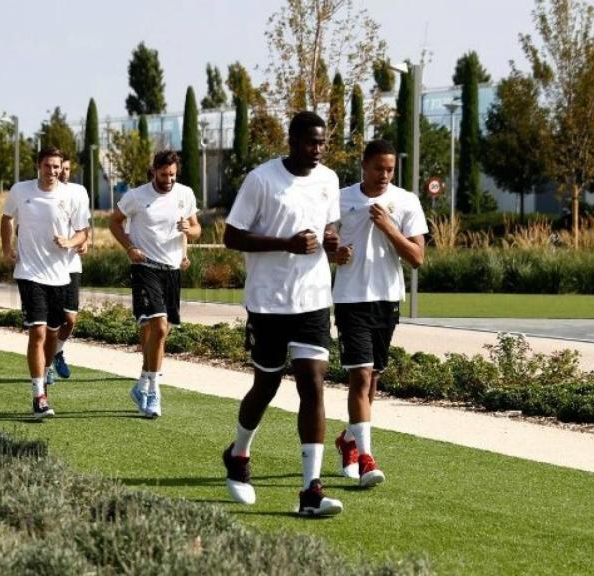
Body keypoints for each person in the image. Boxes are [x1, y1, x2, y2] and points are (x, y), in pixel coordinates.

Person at [220, 111, 343, 517]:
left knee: (313, 383)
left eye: (322, 142)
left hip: (313, 300)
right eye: (311, 142)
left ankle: (311, 490)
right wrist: (284, 244)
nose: (318, 149)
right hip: (268, 302)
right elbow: (231, 236)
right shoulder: (261, 179)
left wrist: (331, 241)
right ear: (291, 140)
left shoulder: (329, 180)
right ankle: (239, 454)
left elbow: (330, 227)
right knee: (266, 386)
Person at [332, 139, 427, 487]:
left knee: (372, 380)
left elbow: (417, 258)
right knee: (360, 376)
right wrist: (334, 252)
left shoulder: (406, 201)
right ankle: (367, 460)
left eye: (390, 169)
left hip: (387, 300)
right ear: (364, 165)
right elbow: (322, 239)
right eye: (378, 168)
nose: (385, 175)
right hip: (350, 299)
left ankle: (348, 440)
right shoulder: (340, 198)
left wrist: (389, 228)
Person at [108, 150, 200, 418]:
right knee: (158, 327)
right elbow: (114, 222)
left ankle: (143, 385)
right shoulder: (136, 196)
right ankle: (154, 391)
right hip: (145, 267)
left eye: (172, 175)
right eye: (163, 175)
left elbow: (197, 229)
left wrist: (189, 230)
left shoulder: (185, 194)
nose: (168, 180)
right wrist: (129, 248)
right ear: (154, 172)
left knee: (160, 333)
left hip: (172, 271)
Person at [1, 147, 89, 419]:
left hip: (60, 274)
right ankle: (38, 395)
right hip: (29, 272)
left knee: (53, 333)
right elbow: (6, 218)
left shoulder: (72, 195)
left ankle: (46, 372)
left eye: (56, 167)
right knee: (37, 332)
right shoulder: (20, 190)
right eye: (47, 166)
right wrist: (7, 249)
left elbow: (82, 232)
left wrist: (70, 242)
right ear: (38, 166)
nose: (52, 171)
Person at [51, 155, 92, 379]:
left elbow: (84, 225)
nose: (64, 172)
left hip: (72, 264)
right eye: (61, 168)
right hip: (48, 265)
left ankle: (56, 352)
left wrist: (84, 241)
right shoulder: (43, 193)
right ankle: (45, 366)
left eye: (67, 168)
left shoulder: (79, 192)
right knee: (50, 320)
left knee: (70, 319)